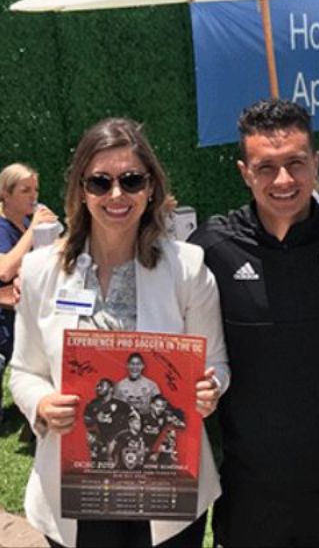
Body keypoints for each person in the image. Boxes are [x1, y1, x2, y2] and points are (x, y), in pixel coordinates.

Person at [9, 118, 229, 548]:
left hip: (167, 488)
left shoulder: (187, 268)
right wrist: (41, 404)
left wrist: (211, 387)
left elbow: (215, 363)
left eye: (131, 180)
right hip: (76, 487)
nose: (116, 195)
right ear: (81, 190)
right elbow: (23, 371)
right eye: (99, 182)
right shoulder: (39, 271)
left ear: (151, 188)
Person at [188, 99, 319, 547]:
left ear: (316, 163)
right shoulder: (212, 248)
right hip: (252, 488)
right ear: (244, 172)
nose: (283, 180)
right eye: (266, 167)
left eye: (296, 163)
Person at [0, 163, 58, 420]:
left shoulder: (25, 222)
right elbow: (4, 271)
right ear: (5, 194)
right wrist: (34, 229)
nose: (33, 196)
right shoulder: (3, 228)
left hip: (23, 310)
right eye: (25, 190)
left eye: (35, 190)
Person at [83, 378, 132, 465]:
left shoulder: (122, 405)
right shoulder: (92, 404)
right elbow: (85, 422)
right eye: (98, 386)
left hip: (118, 442)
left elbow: (133, 418)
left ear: (111, 389)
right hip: (99, 440)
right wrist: (95, 418)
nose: (98, 388)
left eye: (102, 385)